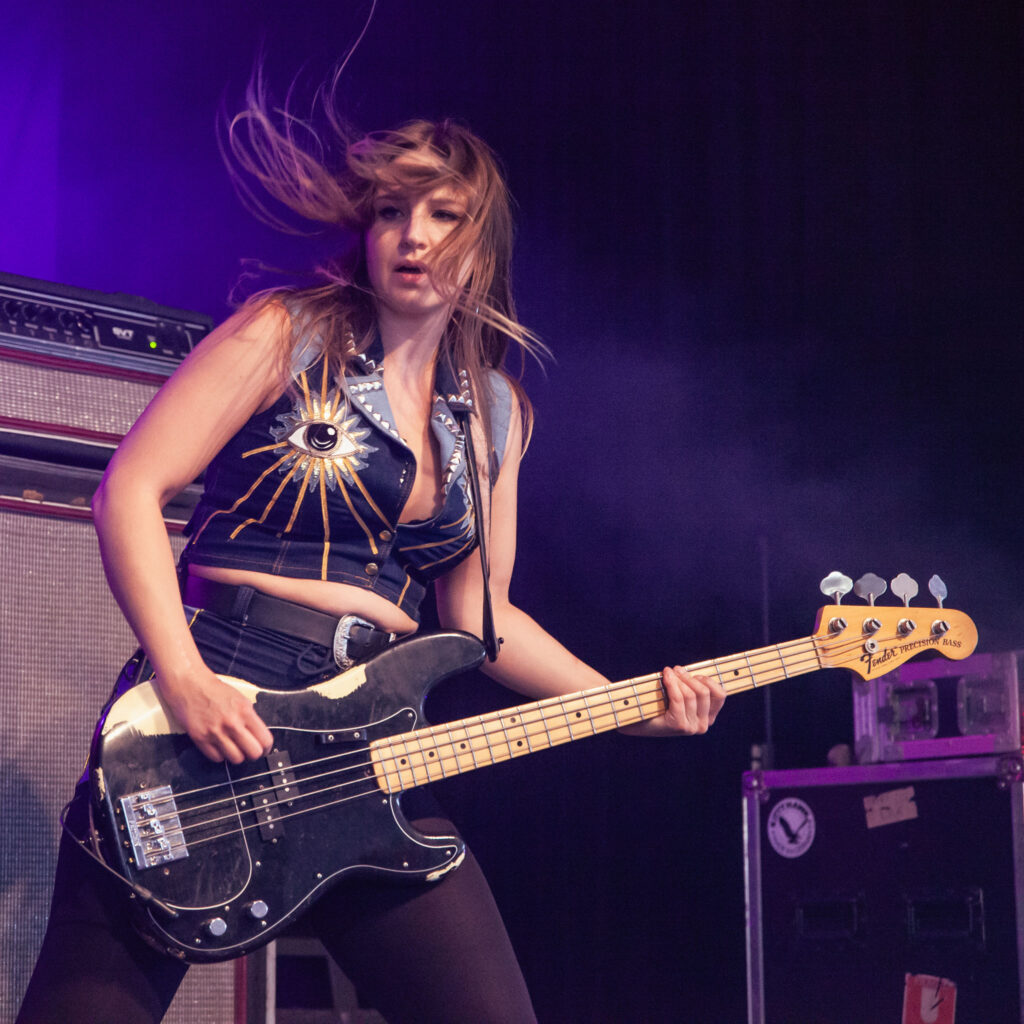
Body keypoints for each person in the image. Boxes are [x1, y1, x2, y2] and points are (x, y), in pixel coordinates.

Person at [18, 78, 726, 1024]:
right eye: (392, 212)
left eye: (444, 215)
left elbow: (482, 621)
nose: (413, 236)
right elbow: (130, 492)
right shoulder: (287, 332)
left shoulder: (496, 413)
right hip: (212, 704)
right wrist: (184, 680)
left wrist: (627, 708)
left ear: (485, 245)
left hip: (370, 746)